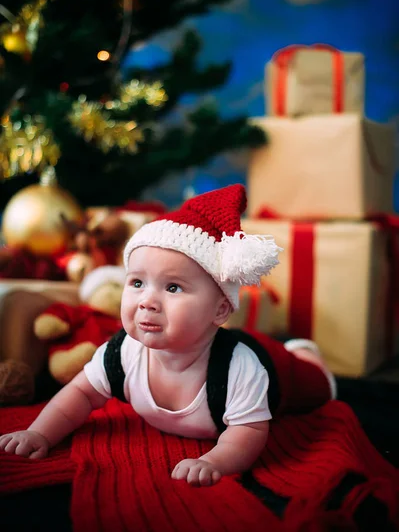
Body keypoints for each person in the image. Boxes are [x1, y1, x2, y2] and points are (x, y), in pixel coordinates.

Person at [0, 184, 336, 487]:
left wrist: (214, 461)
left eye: (172, 287)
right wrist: (40, 433)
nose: (147, 300)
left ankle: (305, 352)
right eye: (136, 283)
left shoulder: (240, 369)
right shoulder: (121, 353)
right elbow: (81, 394)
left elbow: (248, 432)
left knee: (316, 386)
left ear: (220, 310)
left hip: (275, 367)